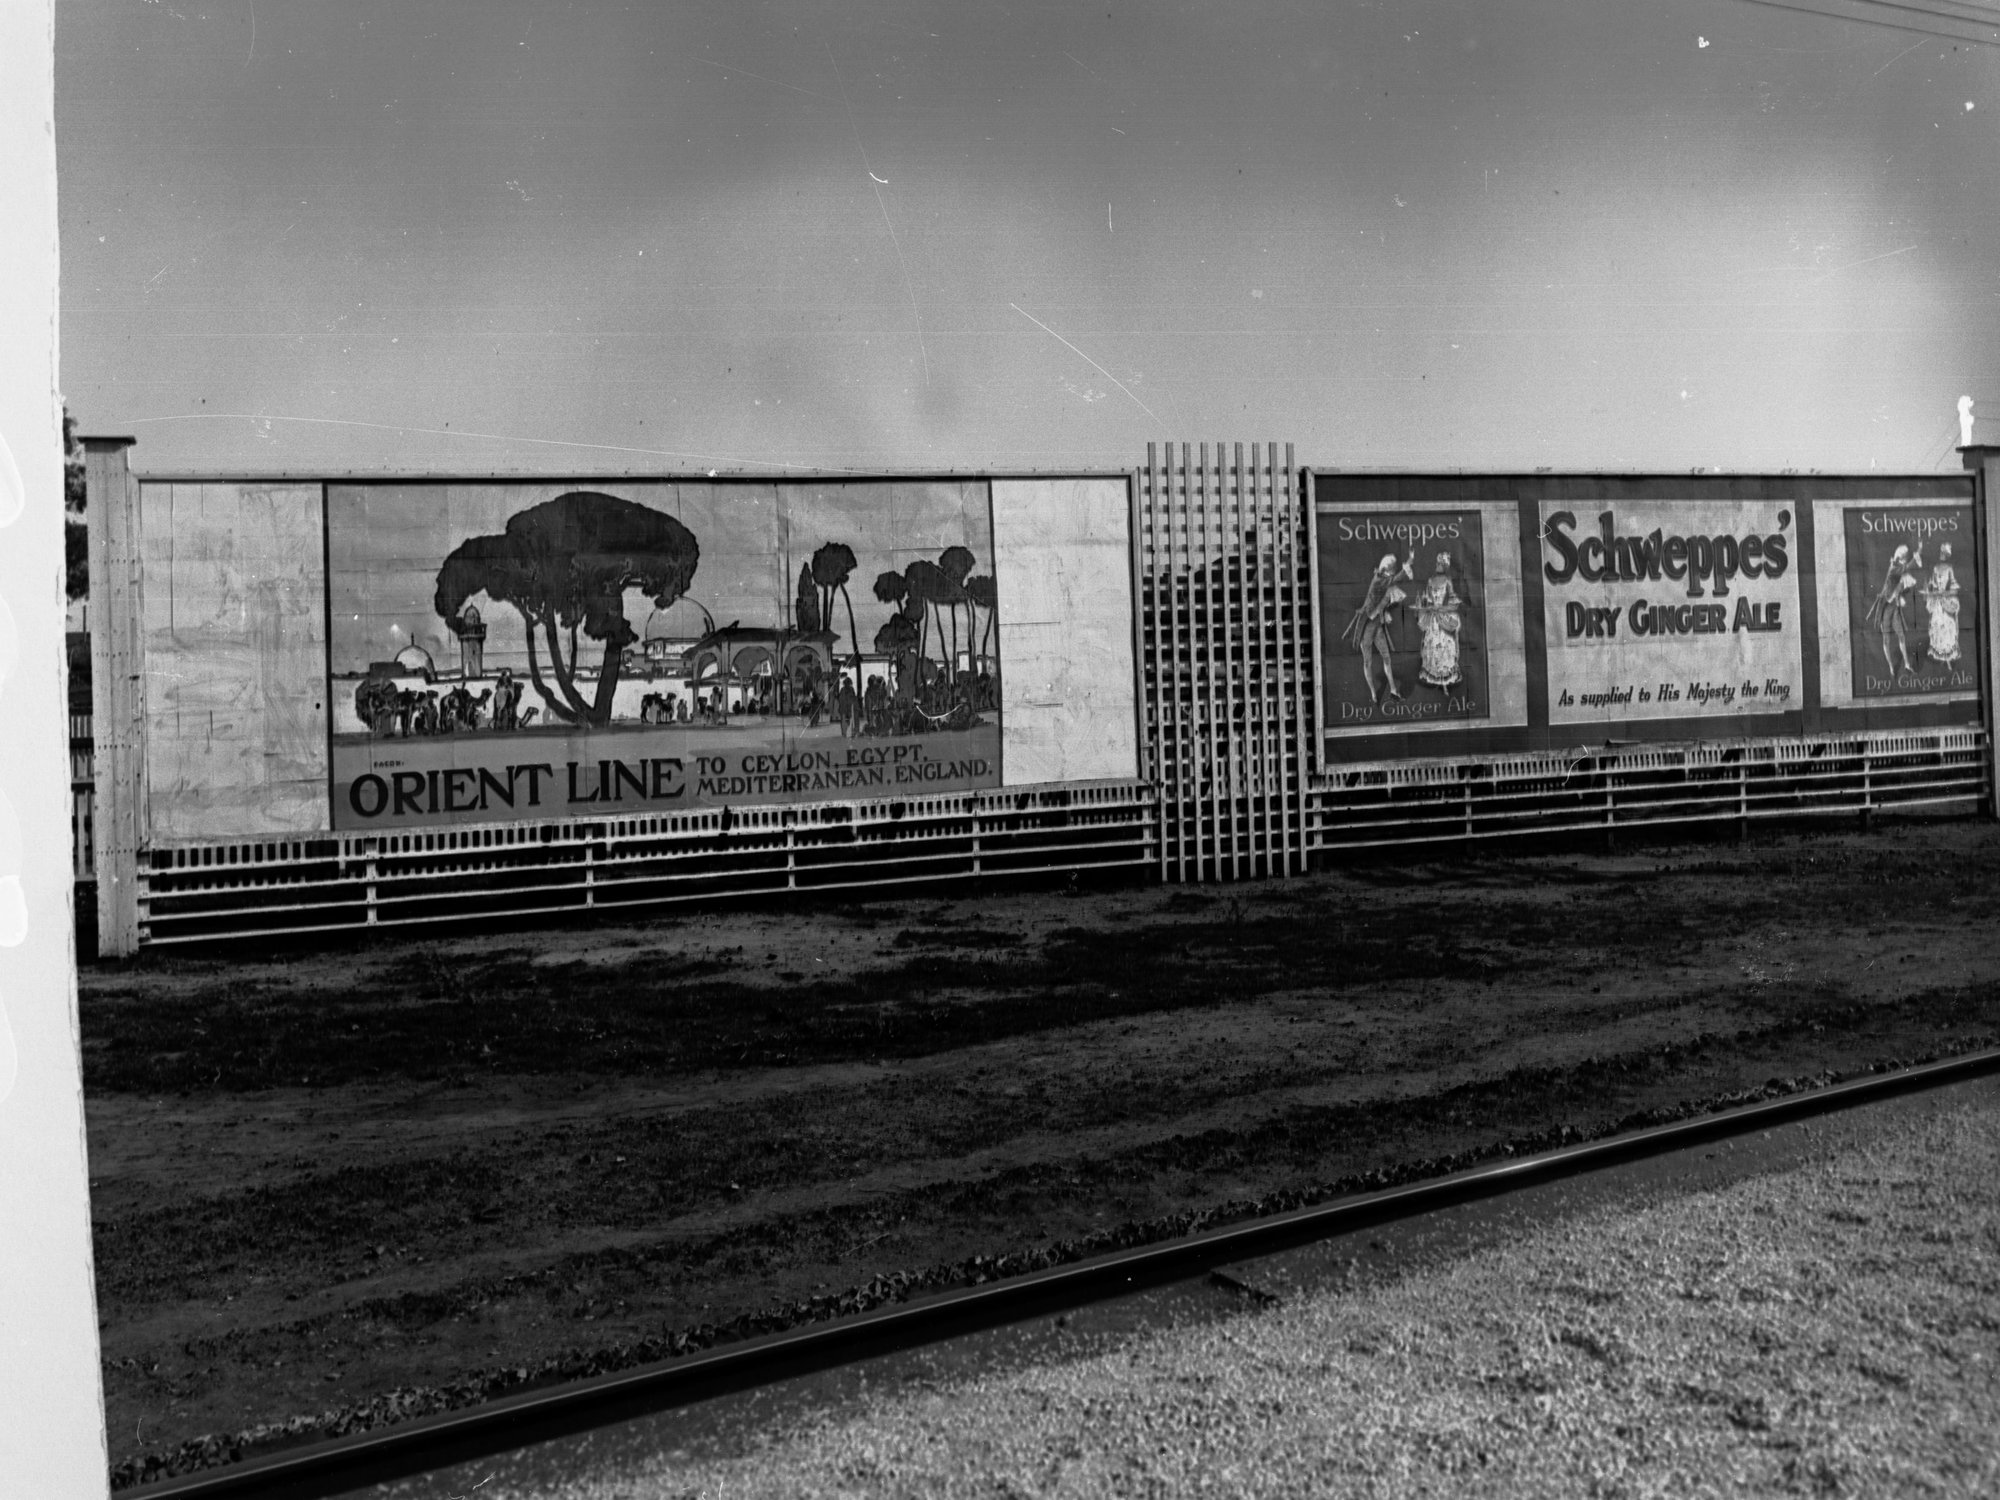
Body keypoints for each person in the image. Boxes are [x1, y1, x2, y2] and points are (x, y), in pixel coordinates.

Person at [1342, 552, 1412, 703]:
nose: (1391, 575)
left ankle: (1393, 690)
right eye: (1391, 571)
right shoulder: (1379, 581)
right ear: (1387, 570)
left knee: (1387, 658)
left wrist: (1384, 612)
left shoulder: (1384, 581)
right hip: (1366, 629)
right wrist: (1409, 561)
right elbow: (1398, 578)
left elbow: (1381, 602)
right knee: (1367, 662)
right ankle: (1374, 693)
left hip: (1377, 627)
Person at [1864, 544, 1921, 678]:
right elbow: (1908, 567)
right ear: (1900, 558)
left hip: (1894, 609)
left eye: (1906, 558)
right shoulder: (1894, 569)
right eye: (1904, 558)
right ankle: (1891, 667)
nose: (1905, 560)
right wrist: (1918, 552)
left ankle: (1907, 664)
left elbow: (1905, 582)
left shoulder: (1897, 568)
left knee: (1901, 636)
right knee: (1886, 640)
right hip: (1885, 610)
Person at [1415, 550, 1464, 690]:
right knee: (1432, 642)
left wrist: (1442, 607)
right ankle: (1434, 675)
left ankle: (1444, 677)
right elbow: (1428, 598)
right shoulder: (1431, 580)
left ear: (1443, 565)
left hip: (1440, 613)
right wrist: (1427, 603)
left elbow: (1453, 598)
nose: (1438, 566)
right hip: (1434, 614)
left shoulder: (1446, 580)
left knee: (1444, 642)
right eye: (1438, 563)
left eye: (1440, 564)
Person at [1921, 543, 1961, 667]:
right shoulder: (1935, 567)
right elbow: (1932, 585)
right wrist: (1928, 590)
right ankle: (1940, 658)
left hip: (1945, 601)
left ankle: (1948, 658)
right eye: (1940, 552)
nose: (1941, 554)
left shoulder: (1949, 568)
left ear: (1945, 554)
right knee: (1936, 627)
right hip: (1937, 603)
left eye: (1943, 552)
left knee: (1947, 628)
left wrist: (1943, 593)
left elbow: (1954, 588)